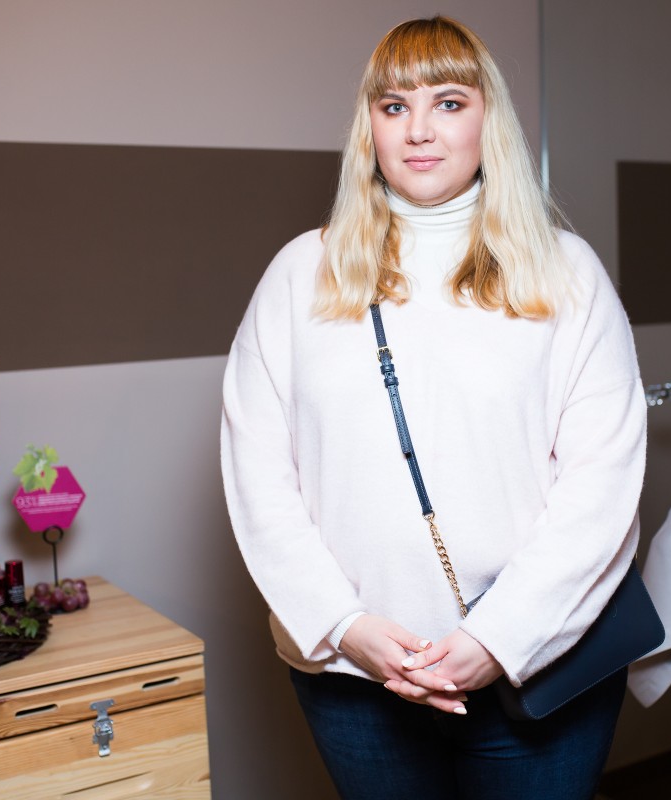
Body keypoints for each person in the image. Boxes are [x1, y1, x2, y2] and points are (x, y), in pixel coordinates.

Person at [221, 16, 646, 799]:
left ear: (489, 119)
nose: (418, 129)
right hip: (352, 678)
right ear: (370, 128)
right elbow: (259, 478)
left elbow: (602, 484)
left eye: (448, 102)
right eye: (394, 106)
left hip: (537, 664)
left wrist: (498, 638)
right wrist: (345, 627)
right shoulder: (300, 274)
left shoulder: (567, 275)